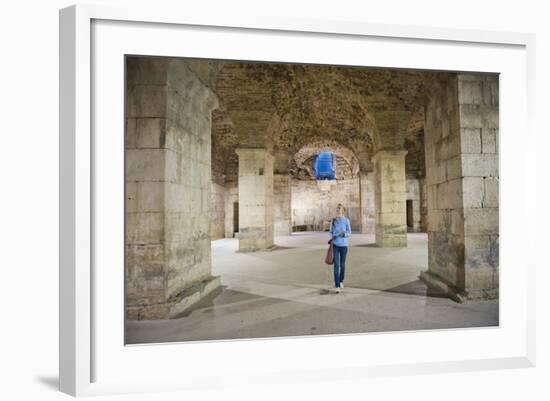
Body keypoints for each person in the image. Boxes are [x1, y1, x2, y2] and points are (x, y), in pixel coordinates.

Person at [329, 203, 351, 293]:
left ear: (343, 210)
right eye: (337, 208)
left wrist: (344, 234)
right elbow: (330, 232)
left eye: (339, 208)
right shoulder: (333, 221)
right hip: (335, 245)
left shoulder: (346, 220)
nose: (338, 210)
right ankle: (337, 285)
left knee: (342, 265)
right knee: (336, 265)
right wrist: (333, 236)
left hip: (344, 245)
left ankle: (341, 280)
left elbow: (349, 232)